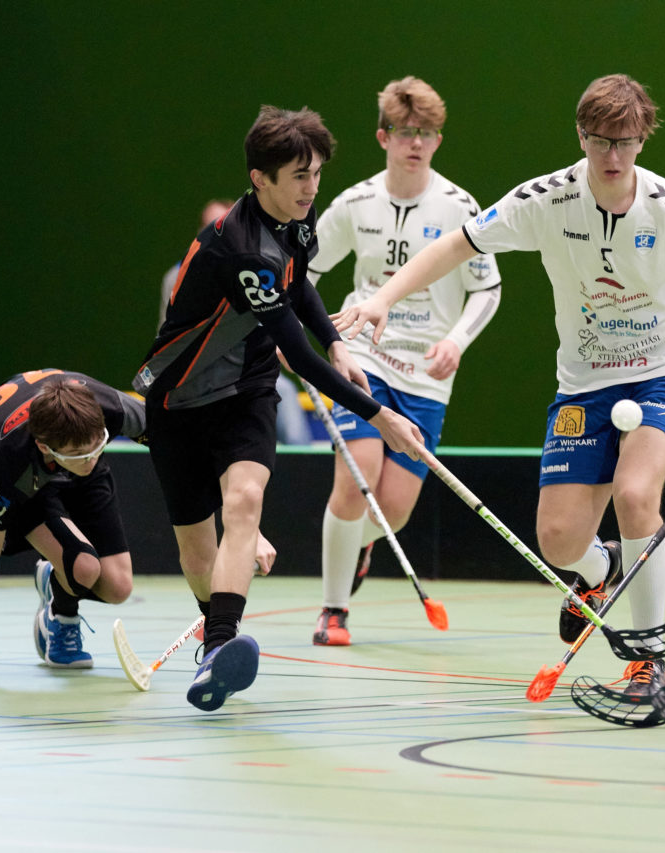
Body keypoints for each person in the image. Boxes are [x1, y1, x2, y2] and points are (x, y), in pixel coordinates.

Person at [334, 74, 665, 696]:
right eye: (599, 141)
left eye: (625, 142)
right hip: (583, 386)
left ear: (644, 138)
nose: (612, 157)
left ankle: (648, 662)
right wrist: (381, 298)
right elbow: (458, 247)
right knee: (559, 540)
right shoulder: (546, 200)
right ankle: (603, 570)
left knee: (636, 492)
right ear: (581, 136)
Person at [135, 105, 425, 712]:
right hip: (177, 399)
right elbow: (297, 346)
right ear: (259, 178)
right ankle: (217, 635)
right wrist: (382, 417)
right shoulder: (241, 251)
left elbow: (302, 288)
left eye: (315, 173)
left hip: (247, 393)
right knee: (196, 547)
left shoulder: (297, 215)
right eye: (298, 176)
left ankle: (217, 647)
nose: (311, 188)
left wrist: (340, 341)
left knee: (244, 501)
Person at [307, 77, 502, 646]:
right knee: (356, 476)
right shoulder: (355, 203)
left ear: (438, 141)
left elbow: (487, 289)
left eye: (426, 134)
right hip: (364, 354)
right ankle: (333, 610)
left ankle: (360, 547)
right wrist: (318, 335)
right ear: (383, 136)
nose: (415, 143)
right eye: (405, 132)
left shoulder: (460, 206)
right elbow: (306, 273)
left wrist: (457, 342)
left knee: (393, 509)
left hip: (426, 372)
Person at [0, 370, 144, 674]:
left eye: (98, 446)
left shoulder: (106, 411)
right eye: (81, 454)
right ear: (44, 447)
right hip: (23, 475)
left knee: (118, 588)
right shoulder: (3, 466)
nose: (91, 460)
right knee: (84, 569)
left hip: (68, 448)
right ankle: (62, 617)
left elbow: (180, 442)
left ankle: (55, 577)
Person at [162, 200, 313, 447]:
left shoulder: (260, 269)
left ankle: (303, 468)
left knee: (283, 391)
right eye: (210, 225)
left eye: (224, 224)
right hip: (197, 369)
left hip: (250, 364)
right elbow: (169, 335)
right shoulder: (178, 276)